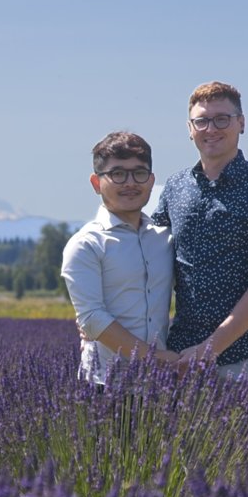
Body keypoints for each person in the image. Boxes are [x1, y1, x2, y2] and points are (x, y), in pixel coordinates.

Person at [152, 81, 248, 429]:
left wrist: (209, 349)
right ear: (189, 129)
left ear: (241, 123)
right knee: (190, 475)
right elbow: (144, 254)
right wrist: (94, 311)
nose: (211, 129)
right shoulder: (174, 188)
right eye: (201, 121)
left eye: (222, 119)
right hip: (184, 362)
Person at [61, 131, 179, 385]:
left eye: (139, 173)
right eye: (117, 174)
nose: (130, 183)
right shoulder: (86, 244)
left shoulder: (166, 239)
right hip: (104, 383)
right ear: (96, 183)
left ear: (151, 181)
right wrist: (155, 359)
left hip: (158, 384)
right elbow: (92, 319)